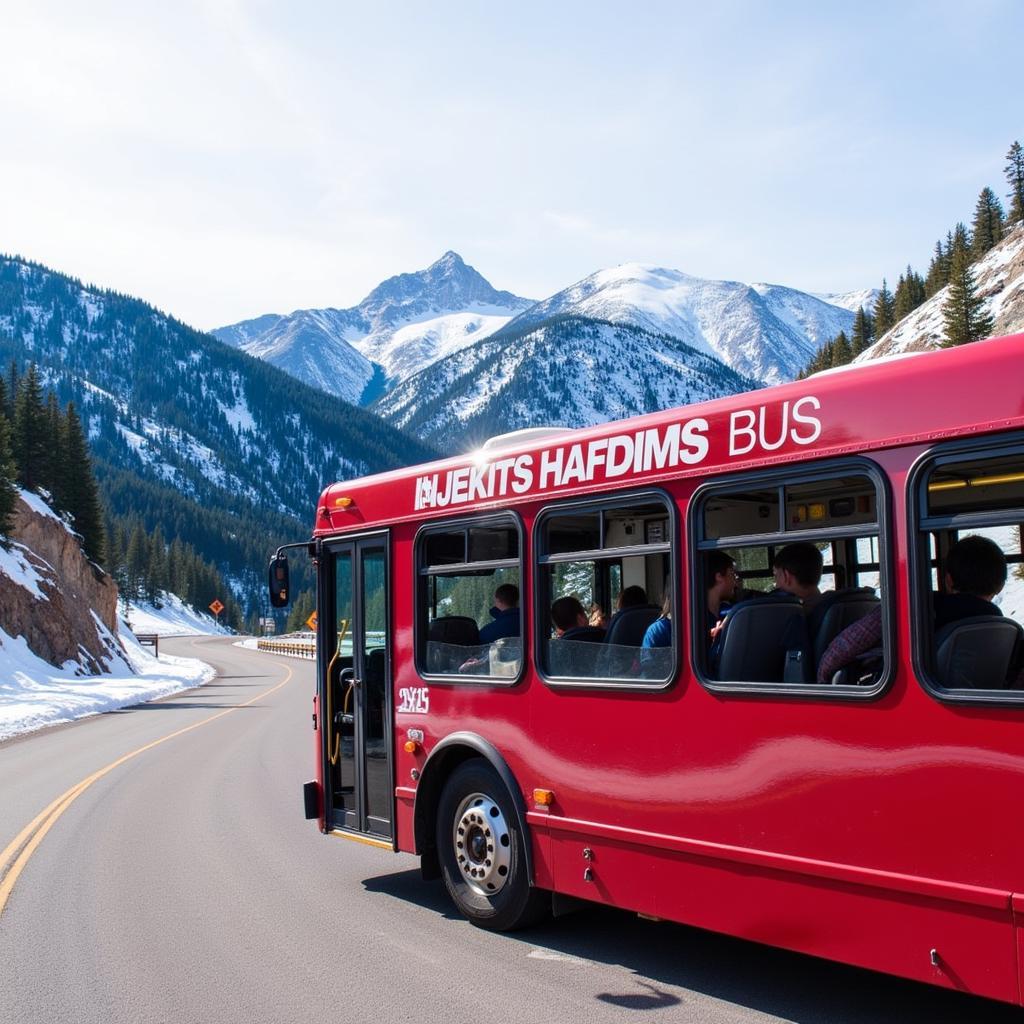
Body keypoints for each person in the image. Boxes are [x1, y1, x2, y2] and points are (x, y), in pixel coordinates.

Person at [772, 542, 824, 611]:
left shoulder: (782, 615)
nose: (776, 585)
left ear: (786, 576)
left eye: (776, 576)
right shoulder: (835, 605)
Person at [706, 551, 740, 642]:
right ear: (719, 577)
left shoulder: (731, 613)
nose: (735, 582)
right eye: (732, 573)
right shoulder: (695, 622)